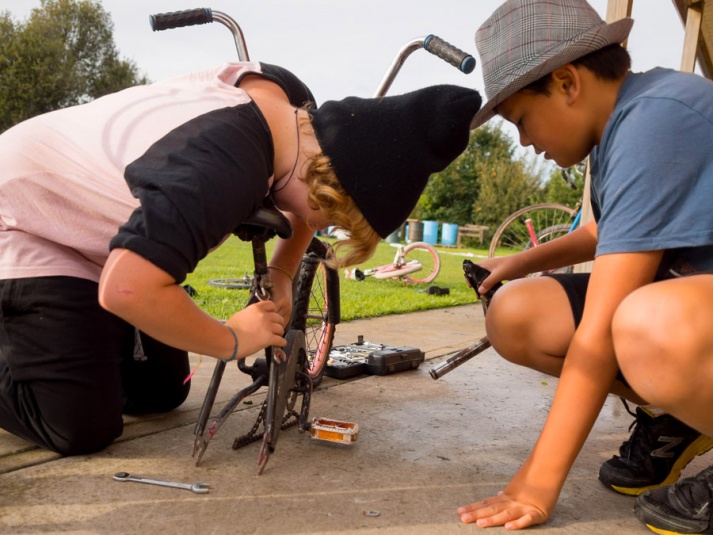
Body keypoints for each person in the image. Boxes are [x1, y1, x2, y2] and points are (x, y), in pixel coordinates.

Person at [0, 60, 482, 456]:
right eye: (332, 218)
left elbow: (304, 207)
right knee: (80, 426)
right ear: (324, 183)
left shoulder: (292, 107)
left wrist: (282, 270)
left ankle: (68, 339)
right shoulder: (219, 169)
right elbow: (127, 289)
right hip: (29, 221)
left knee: (163, 391)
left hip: (103, 236)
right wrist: (231, 339)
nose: (322, 228)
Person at [457, 1, 713, 533]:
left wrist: (536, 484)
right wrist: (522, 261)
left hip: (685, 311)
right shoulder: (624, 122)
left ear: (568, 83)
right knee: (517, 312)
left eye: (522, 120)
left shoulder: (655, 120)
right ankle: (685, 414)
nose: (525, 141)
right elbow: (609, 234)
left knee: (642, 324)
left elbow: (598, 332)